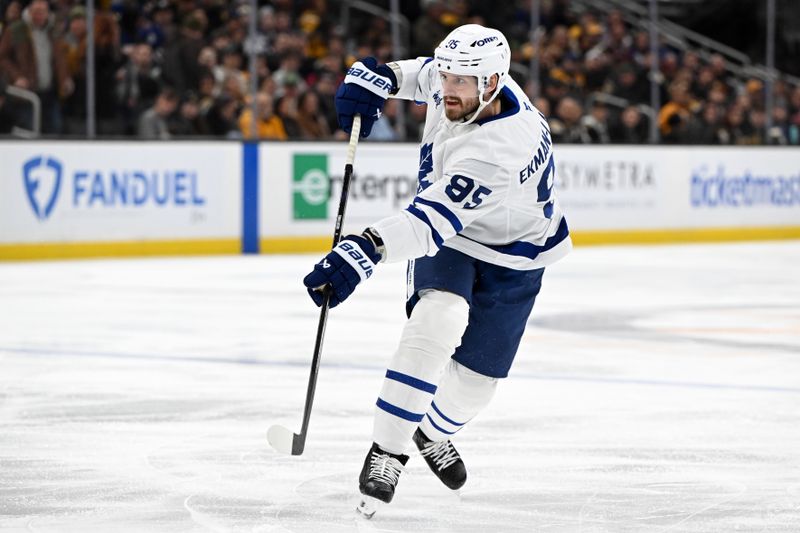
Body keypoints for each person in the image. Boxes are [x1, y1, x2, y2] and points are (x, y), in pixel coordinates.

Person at [301, 24, 572, 518]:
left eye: (460, 82)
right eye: (448, 76)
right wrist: (376, 78)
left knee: (476, 385)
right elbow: (418, 74)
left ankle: (432, 433)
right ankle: (388, 451)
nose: (447, 89)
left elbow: (428, 224)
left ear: (492, 84)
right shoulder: (463, 83)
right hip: (456, 238)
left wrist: (361, 252)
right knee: (437, 318)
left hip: (516, 254)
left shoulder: (499, 148)